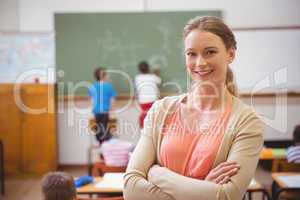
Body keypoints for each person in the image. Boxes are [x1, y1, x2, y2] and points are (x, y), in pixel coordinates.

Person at [124, 16, 264, 200]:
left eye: (210, 52)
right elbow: (131, 188)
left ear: (230, 54)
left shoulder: (247, 122)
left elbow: (227, 196)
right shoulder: (161, 110)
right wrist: (203, 189)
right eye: (191, 54)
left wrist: (157, 174)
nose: (200, 63)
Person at [89, 67, 117, 144]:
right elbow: (112, 101)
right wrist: (112, 112)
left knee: (99, 132)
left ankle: (101, 145)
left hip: (96, 113)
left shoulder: (92, 87)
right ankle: (104, 148)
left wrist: (92, 112)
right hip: (106, 112)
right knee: (105, 131)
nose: (108, 76)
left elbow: (92, 101)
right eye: (106, 74)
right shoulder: (109, 87)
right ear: (103, 76)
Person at [135, 61, 161, 128]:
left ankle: (143, 129)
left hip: (142, 101)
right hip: (153, 100)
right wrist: (157, 73)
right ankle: (153, 129)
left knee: (145, 114)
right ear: (149, 68)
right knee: (153, 115)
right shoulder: (153, 77)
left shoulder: (137, 78)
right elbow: (159, 81)